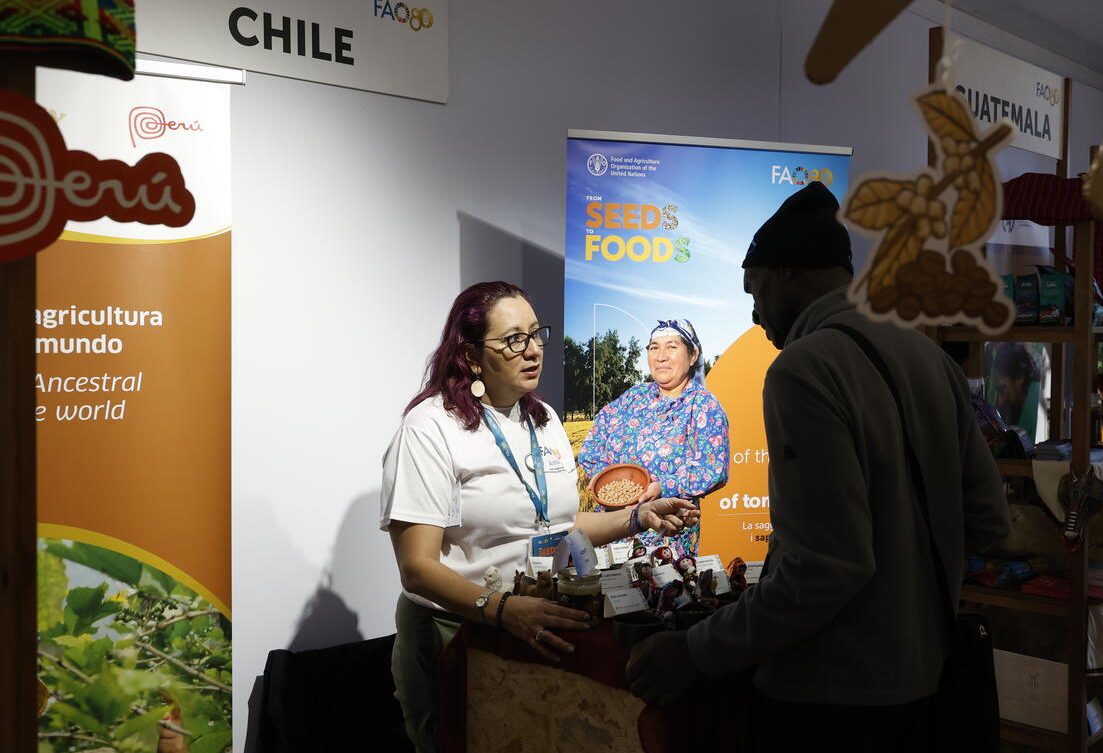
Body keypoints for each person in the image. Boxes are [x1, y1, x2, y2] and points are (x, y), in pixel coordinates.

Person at [626, 182, 1011, 750]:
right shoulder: (929, 357)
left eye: (755, 289)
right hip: (929, 681)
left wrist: (696, 649)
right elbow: (987, 518)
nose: (754, 312)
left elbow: (825, 567)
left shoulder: (803, 368)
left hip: (832, 698)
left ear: (787, 272)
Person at [380, 281, 699, 752]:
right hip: (457, 631)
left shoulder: (544, 420)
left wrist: (638, 516)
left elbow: (559, 527)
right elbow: (417, 567)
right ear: (470, 356)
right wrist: (503, 610)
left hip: (534, 620)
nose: (533, 350)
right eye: (514, 340)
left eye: (535, 334)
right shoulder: (431, 428)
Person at [578, 318, 730, 558]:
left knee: (658, 581)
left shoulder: (703, 405)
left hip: (665, 534)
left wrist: (663, 487)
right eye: (654, 348)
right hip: (612, 530)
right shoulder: (634, 396)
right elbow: (594, 442)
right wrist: (602, 478)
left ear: (692, 356)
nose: (661, 356)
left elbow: (712, 469)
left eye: (671, 347)